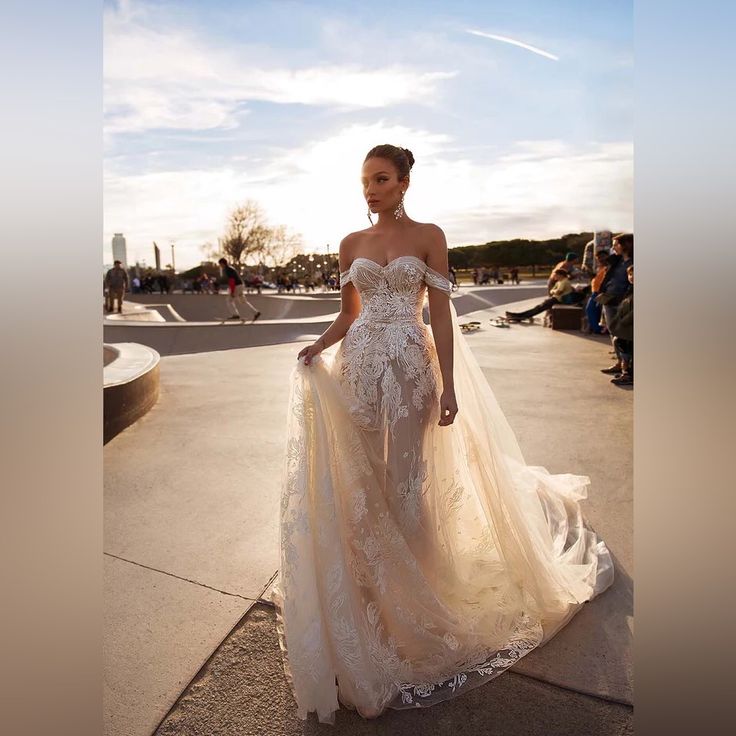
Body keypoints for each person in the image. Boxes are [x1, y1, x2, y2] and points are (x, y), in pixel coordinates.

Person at [272, 144, 613, 724]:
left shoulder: (430, 234)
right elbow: (349, 314)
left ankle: (417, 591)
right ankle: (366, 588)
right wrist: (319, 346)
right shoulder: (351, 244)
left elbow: (439, 315)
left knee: (407, 480)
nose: (370, 190)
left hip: (409, 368)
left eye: (381, 179)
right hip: (356, 368)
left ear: (405, 182)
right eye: (364, 181)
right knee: (361, 479)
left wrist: (448, 384)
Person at [598, 234, 633, 374]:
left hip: (624, 301)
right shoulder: (617, 261)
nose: (613, 247)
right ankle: (620, 362)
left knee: (624, 334)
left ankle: (627, 366)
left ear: (627, 244)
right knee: (613, 332)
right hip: (609, 299)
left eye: (616, 244)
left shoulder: (635, 261)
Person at [504, 267, 576, 321]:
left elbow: (558, 292)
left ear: (561, 275)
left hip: (559, 300)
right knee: (538, 307)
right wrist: (554, 291)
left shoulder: (564, 281)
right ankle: (519, 315)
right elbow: (552, 290)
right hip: (555, 299)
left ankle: (520, 316)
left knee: (539, 308)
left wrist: (554, 291)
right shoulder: (559, 282)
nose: (555, 276)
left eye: (556, 275)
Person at [606, 264, 634, 386]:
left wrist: (623, 321)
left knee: (627, 350)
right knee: (622, 345)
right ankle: (626, 372)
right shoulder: (630, 289)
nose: (632, 277)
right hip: (626, 327)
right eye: (630, 274)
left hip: (630, 327)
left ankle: (627, 374)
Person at [217, 257, 261, 322]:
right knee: (243, 301)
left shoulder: (227, 269)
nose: (220, 266)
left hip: (236, 286)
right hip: (240, 285)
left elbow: (232, 280)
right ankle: (256, 312)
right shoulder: (231, 268)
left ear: (222, 263)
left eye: (220, 264)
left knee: (229, 300)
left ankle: (235, 315)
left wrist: (232, 291)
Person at [584, 250, 611, 334]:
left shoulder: (609, 267)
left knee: (591, 309)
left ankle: (598, 329)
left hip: (600, 292)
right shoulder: (600, 268)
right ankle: (596, 328)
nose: (600, 259)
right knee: (592, 310)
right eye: (598, 258)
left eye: (603, 257)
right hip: (594, 292)